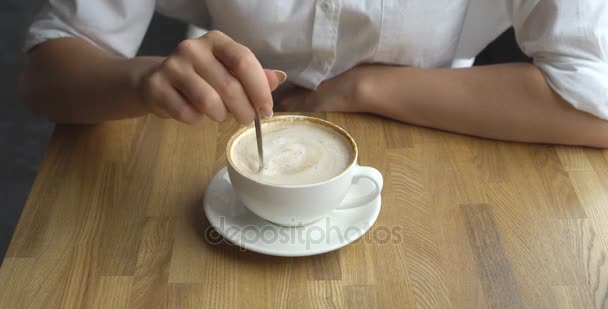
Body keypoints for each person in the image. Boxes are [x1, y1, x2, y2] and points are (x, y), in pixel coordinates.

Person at [22, 0, 608, 147]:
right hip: (212, 134)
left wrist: (358, 88)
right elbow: (49, 72)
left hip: (443, 131)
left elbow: (597, 97)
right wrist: (143, 80)